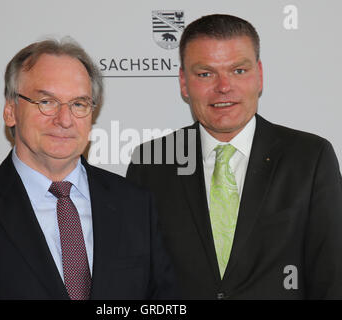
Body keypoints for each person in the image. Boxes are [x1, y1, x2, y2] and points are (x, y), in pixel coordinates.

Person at [127, 14, 342, 299]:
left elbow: (332, 279)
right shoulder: (151, 161)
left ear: (259, 75)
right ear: (183, 82)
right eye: (205, 73)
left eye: (238, 71)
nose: (223, 86)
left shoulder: (310, 158)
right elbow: (136, 278)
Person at [0, 38, 177, 299]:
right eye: (46, 102)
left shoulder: (135, 204)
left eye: (78, 104)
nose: (64, 120)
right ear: (11, 111)